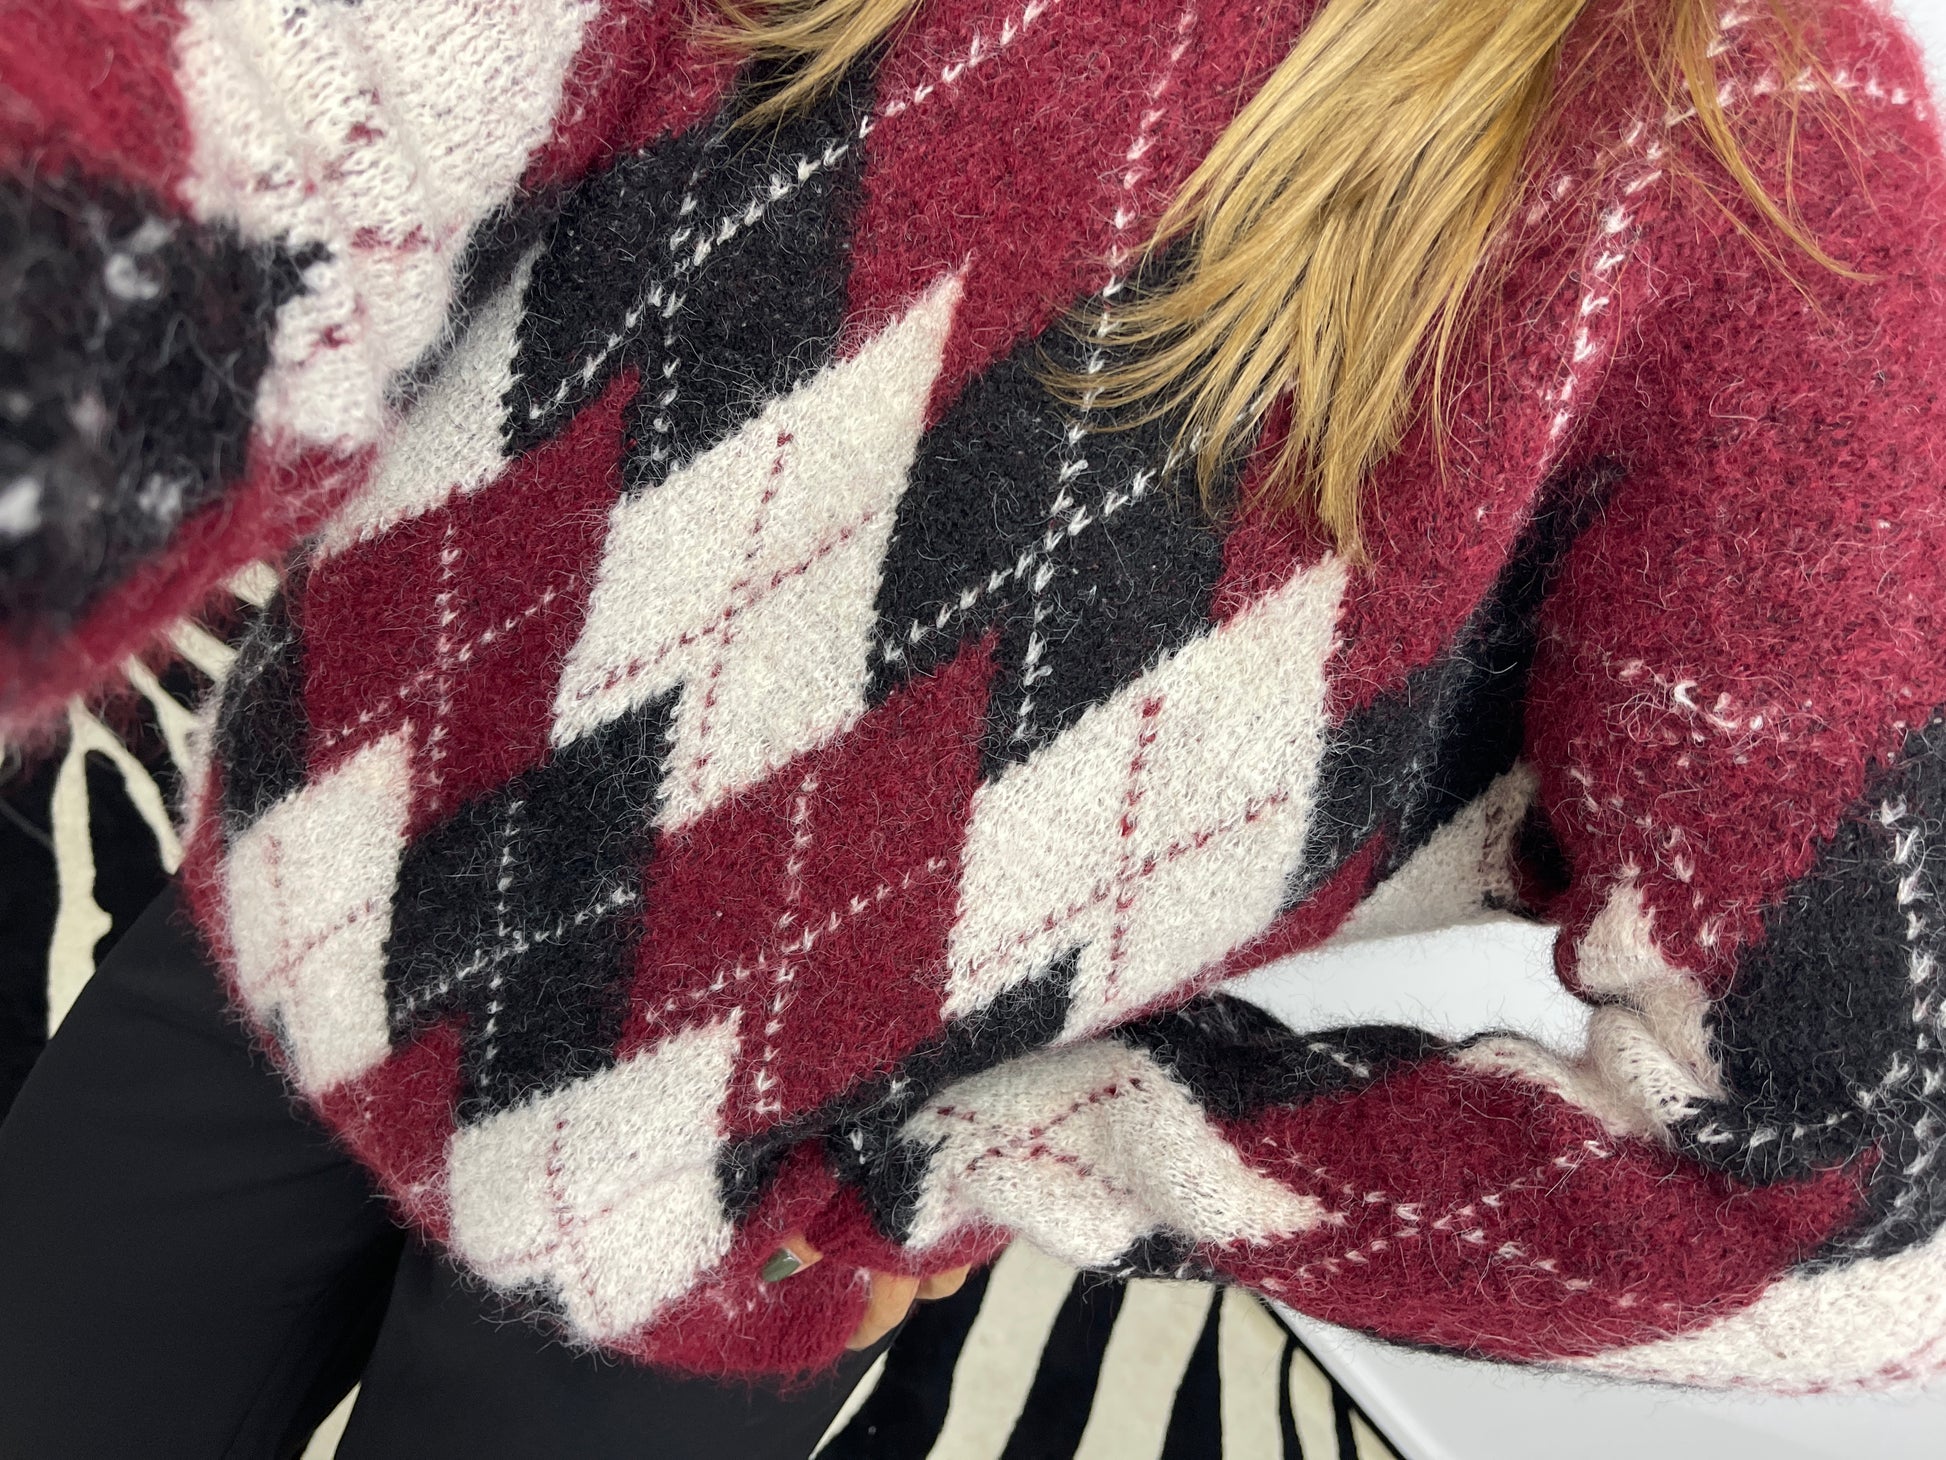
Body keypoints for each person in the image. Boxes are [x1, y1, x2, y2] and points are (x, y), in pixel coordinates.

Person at [2, 0, 1944, 1453]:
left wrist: (1069, 1143)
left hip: (728, 1223)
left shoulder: (1776, 173)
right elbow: (292, 113)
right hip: (283, 939)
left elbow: (1850, 1189)